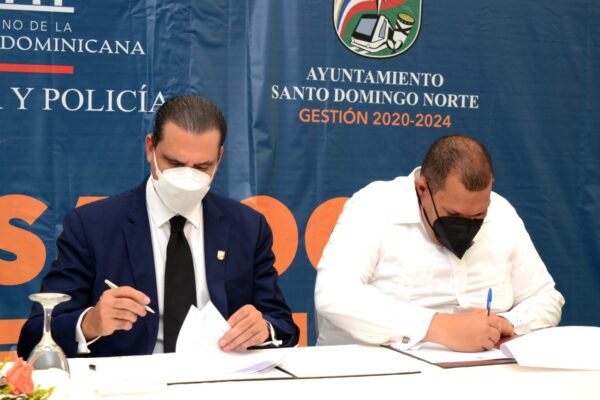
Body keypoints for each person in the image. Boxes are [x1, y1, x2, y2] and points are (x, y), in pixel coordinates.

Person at [18, 95, 299, 358]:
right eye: (174, 163)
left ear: (219, 158)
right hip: (129, 383)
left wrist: (264, 329)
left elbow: (284, 326)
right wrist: (90, 323)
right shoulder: (93, 226)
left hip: (220, 380)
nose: (187, 177)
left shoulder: (247, 227)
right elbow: (32, 336)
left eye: (202, 166)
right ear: (150, 148)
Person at [315, 135, 564, 352]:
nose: (468, 225)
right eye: (454, 215)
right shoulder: (375, 206)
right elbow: (334, 294)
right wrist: (438, 327)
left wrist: (508, 323)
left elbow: (546, 298)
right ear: (423, 189)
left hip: (482, 373)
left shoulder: (501, 213)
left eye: (479, 215)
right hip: (378, 372)